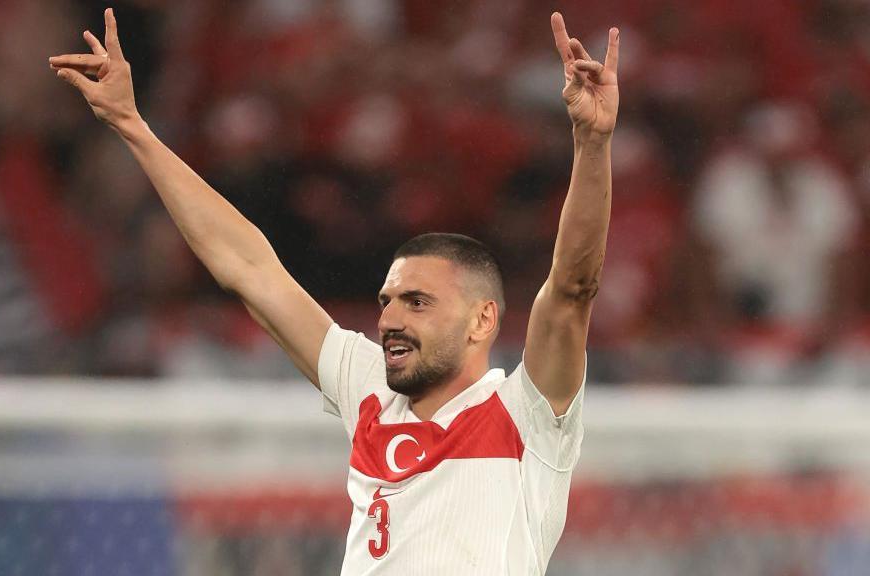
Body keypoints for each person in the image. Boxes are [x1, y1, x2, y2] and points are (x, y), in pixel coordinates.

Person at [50, 9, 617, 575]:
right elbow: (249, 267)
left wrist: (592, 144)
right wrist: (132, 125)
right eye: (387, 301)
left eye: (417, 302)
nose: (391, 318)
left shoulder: (528, 415)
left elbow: (571, 289)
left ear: (481, 321)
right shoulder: (369, 387)